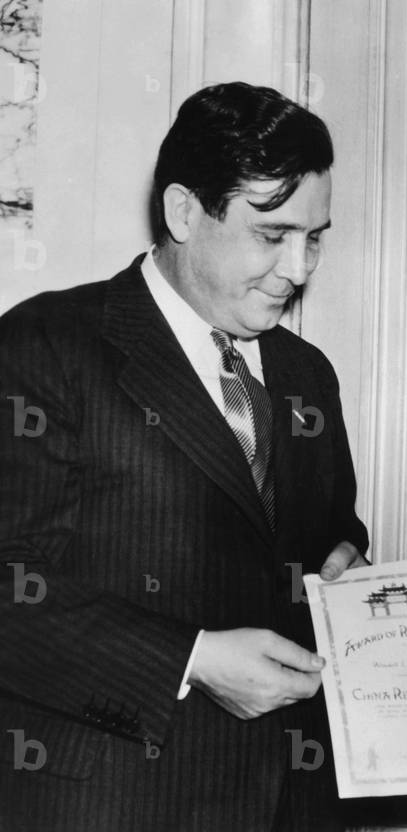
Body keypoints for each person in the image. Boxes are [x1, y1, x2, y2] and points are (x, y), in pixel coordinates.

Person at [0, 82, 368, 830]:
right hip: (112, 803)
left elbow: (328, 531)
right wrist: (190, 660)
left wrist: (344, 559)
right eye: (272, 235)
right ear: (183, 213)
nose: (299, 270)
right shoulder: (47, 346)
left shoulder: (306, 374)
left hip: (287, 802)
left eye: (316, 236)